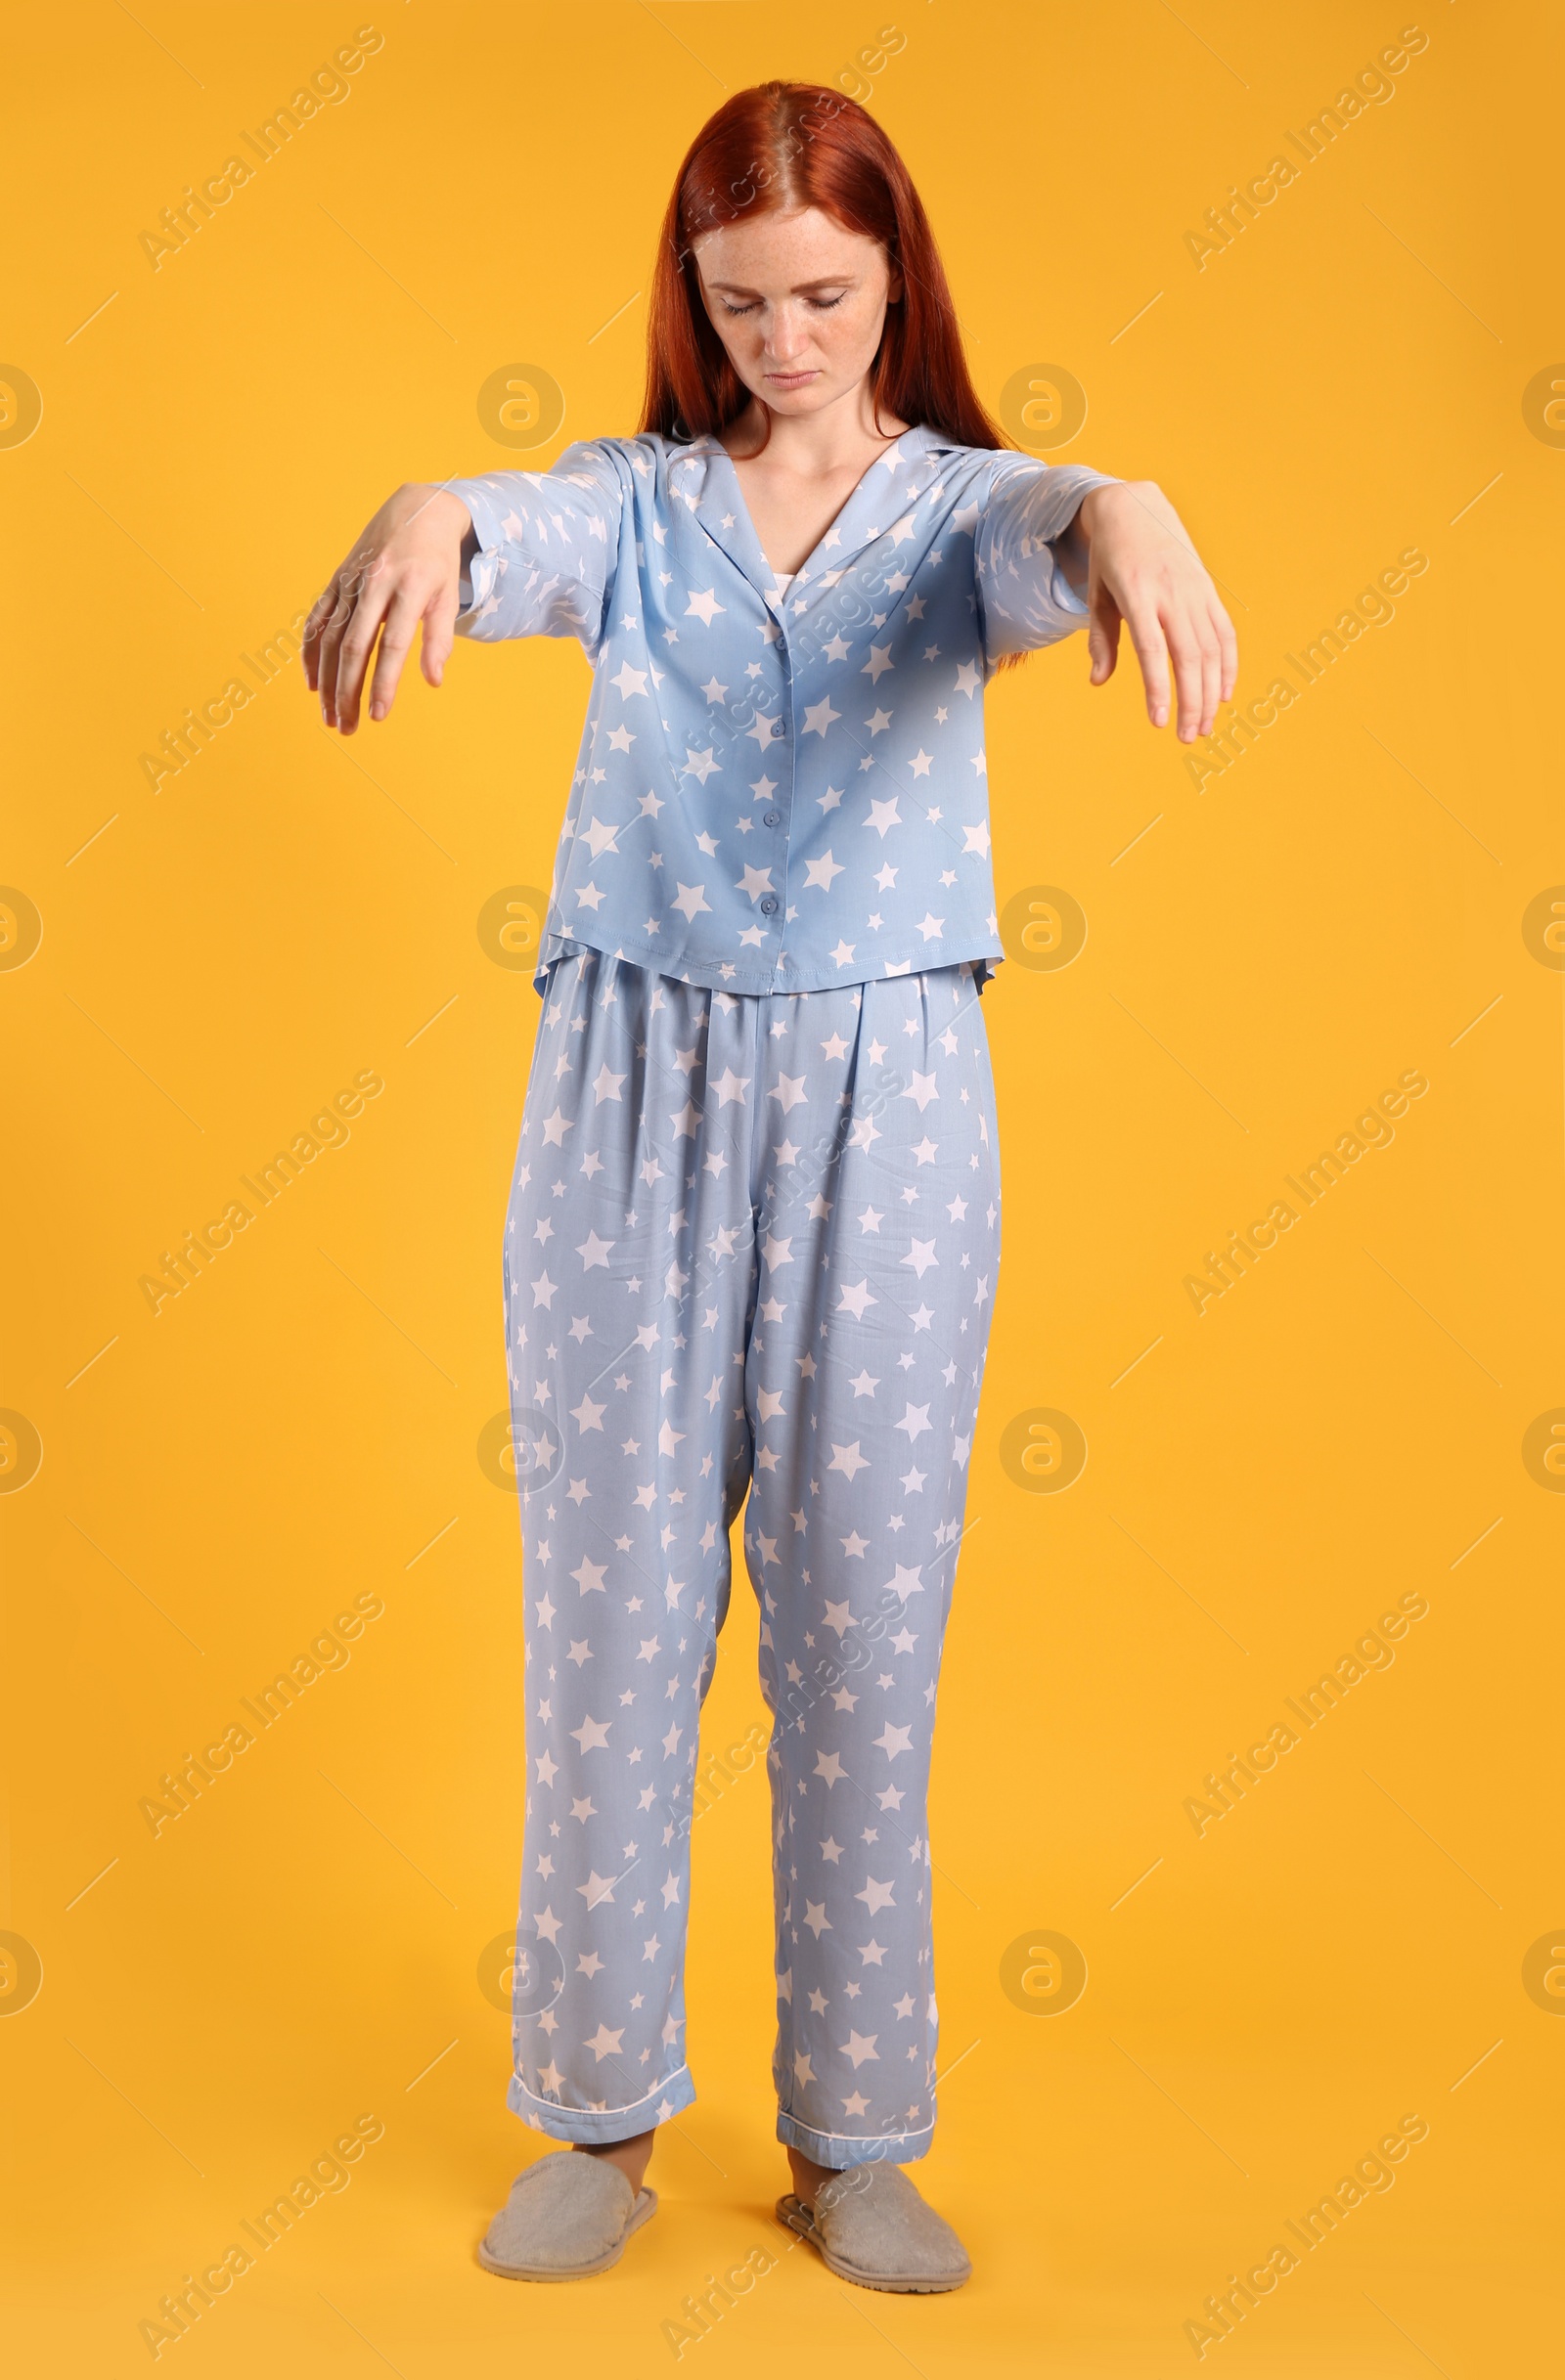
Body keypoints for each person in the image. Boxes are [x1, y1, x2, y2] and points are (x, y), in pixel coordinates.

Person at [304, 78, 1234, 2297]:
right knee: (609, 1616)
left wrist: (1145, 509)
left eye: (821, 295)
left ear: (892, 275)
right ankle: (600, 2115)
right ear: (690, 296)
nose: (783, 342)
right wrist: (432, 503)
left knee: (860, 1622)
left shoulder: (952, 516)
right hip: (630, 1079)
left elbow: (1061, 525)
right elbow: (521, 525)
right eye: (739, 305)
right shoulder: (639, 505)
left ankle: (852, 2133)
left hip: (883, 1090)